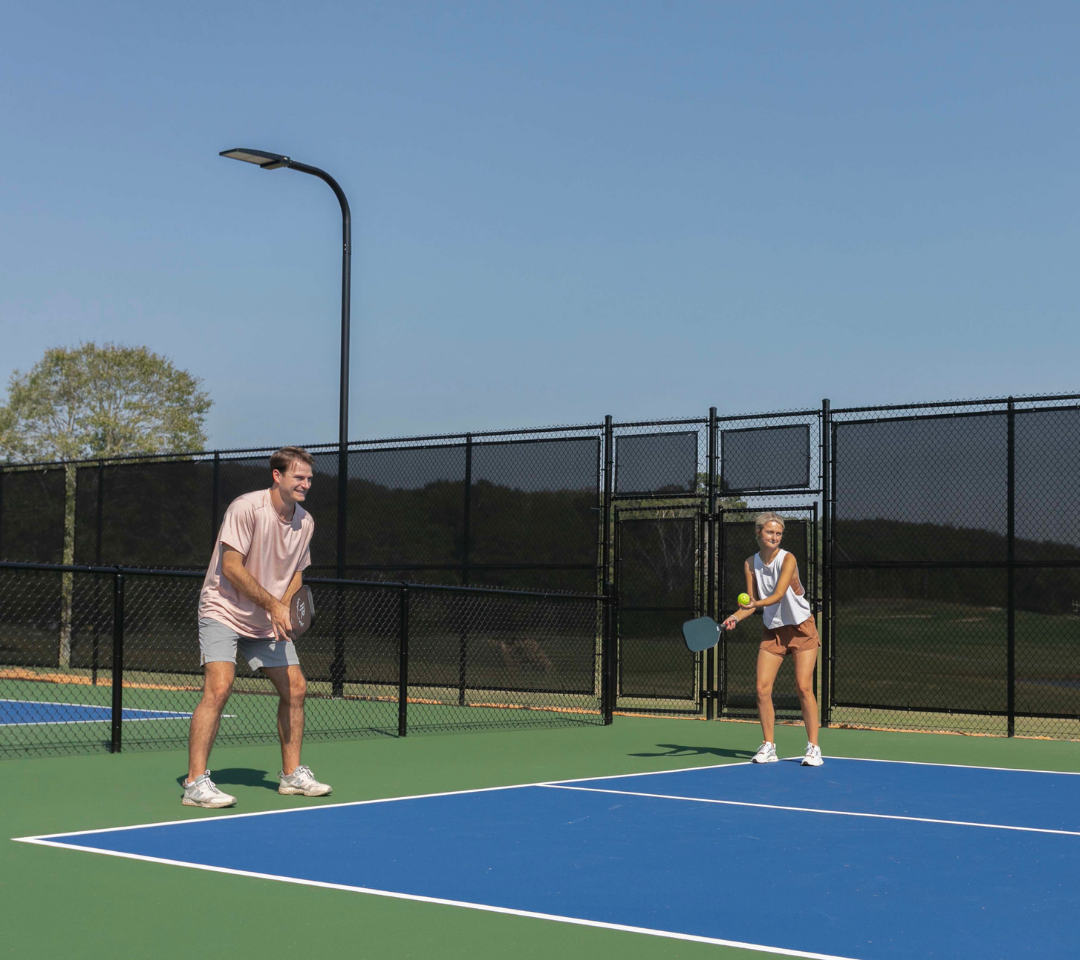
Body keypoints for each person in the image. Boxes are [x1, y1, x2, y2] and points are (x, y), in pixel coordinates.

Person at [182, 446, 332, 807]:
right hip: (224, 608)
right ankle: (195, 784)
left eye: (309, 478)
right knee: (219, 687)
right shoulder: (246, 508)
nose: (306, 484)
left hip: (267, 619)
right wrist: (274, 605)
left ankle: (292, 776)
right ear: (277, 476)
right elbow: (232, 568)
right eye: (299, 477)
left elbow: (297, 572)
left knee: (296, 688)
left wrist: (288, 613)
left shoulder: (305, 522)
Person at [721, 512, 823, 767]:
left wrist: (755, 604)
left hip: (801, 628)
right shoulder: (750, 564)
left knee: (803, 687)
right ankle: (768, 746)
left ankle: (813, 748)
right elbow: (749, 604)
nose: (774, 537)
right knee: (762, 688)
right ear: (758, 533)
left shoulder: (787, 559)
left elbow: (777, 596)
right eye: (769, 532)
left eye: (778, 533)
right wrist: (733, 617)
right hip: (773, 632)